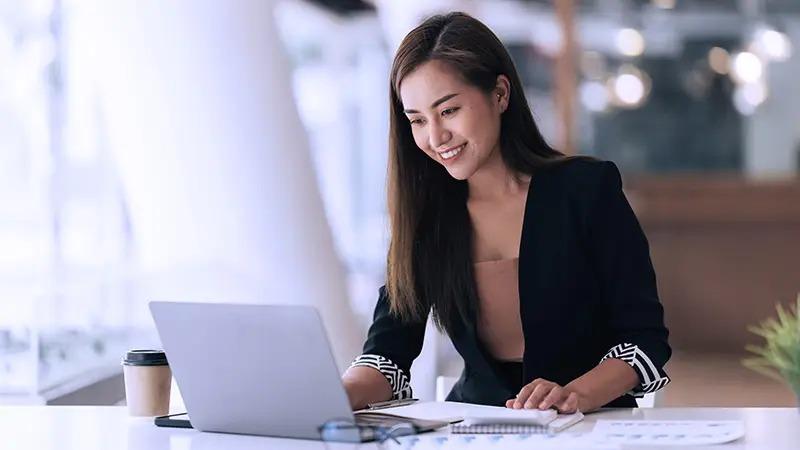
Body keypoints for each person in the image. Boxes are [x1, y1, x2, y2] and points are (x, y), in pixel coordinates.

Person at [341, 12, 671, 414]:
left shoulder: (586, 190)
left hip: (590, 426)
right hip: (475, 429)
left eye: (448, 111)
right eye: (417, 121)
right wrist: (333, 395)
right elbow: (387, 355)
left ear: (500, 94)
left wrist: (575, 395)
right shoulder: (428, 217)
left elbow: (644, 340)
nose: (434, 137)